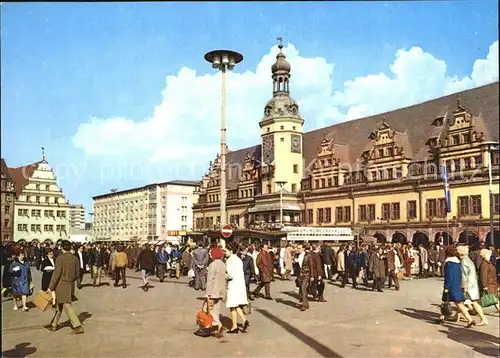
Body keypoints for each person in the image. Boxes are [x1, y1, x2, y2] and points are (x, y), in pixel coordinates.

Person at [46, 240, 84, 334]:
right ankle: (54, 324)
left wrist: (50, 287)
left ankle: (77, 325)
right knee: (60, 305)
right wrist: (71, 280)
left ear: (62, 247)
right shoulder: (75, 258)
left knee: (66, 305)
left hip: (61, 284)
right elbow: (77, 273)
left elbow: (56, 274)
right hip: (70, 284)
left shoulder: (60, 258)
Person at [440, 245, 476, 327]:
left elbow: (448, 277)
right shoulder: (458, 263)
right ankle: (442, 317)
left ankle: (470, 320)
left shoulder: (448, 263)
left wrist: (446, 287)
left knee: (447, 302)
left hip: (451, 286)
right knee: (458, 303)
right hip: (457, 285)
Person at [456, 245, 488, 325]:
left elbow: (464, 275)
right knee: (462, 301)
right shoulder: (469, 260)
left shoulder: (463, 262)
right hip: (473, 284)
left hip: (468, 285)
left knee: (473, 302)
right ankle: (457, 315)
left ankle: (483, 318)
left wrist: (464, 286)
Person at [225, 242, 249, 334]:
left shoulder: (229, 260)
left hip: (233, 285)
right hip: (240, 285)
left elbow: (230, 275)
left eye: (226, 250)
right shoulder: (238, 259)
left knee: (232, 306)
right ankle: (243, 320)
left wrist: (223, 275)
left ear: (231, 251)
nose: (225, 252)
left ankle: (234, 326)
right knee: (236, 305)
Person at [205, 247, 226, 338]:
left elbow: (210, 280)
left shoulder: (212, 265)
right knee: (216, 309)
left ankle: (218, 324)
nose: (209, 254)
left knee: (209, 309)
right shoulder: (223, 264)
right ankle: (216, 328)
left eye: (211, 253)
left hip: (213, 291)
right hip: (221, 290)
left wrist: (208, 293)